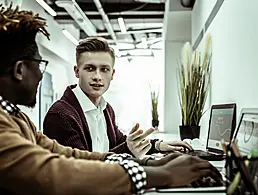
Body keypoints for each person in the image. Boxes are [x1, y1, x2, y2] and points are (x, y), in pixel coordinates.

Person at [0, 4, 222, 195]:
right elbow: (61, 172)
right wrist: (159, 174)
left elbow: (70, 154)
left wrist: (147, 161)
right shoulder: (40, 118)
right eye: (39, 65)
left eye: (104, 69)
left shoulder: (17, 118)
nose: (40, 74)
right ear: (19, 70)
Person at [43, 37, 193, 158]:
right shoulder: (60, 115)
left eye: (104, 69)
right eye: (90, 68)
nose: (97, 77)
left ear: (112, 74)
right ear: (77, 72)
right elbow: (81, 168)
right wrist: (128, 148)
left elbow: (119, 142)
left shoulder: (106, 109)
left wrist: (158, 146)